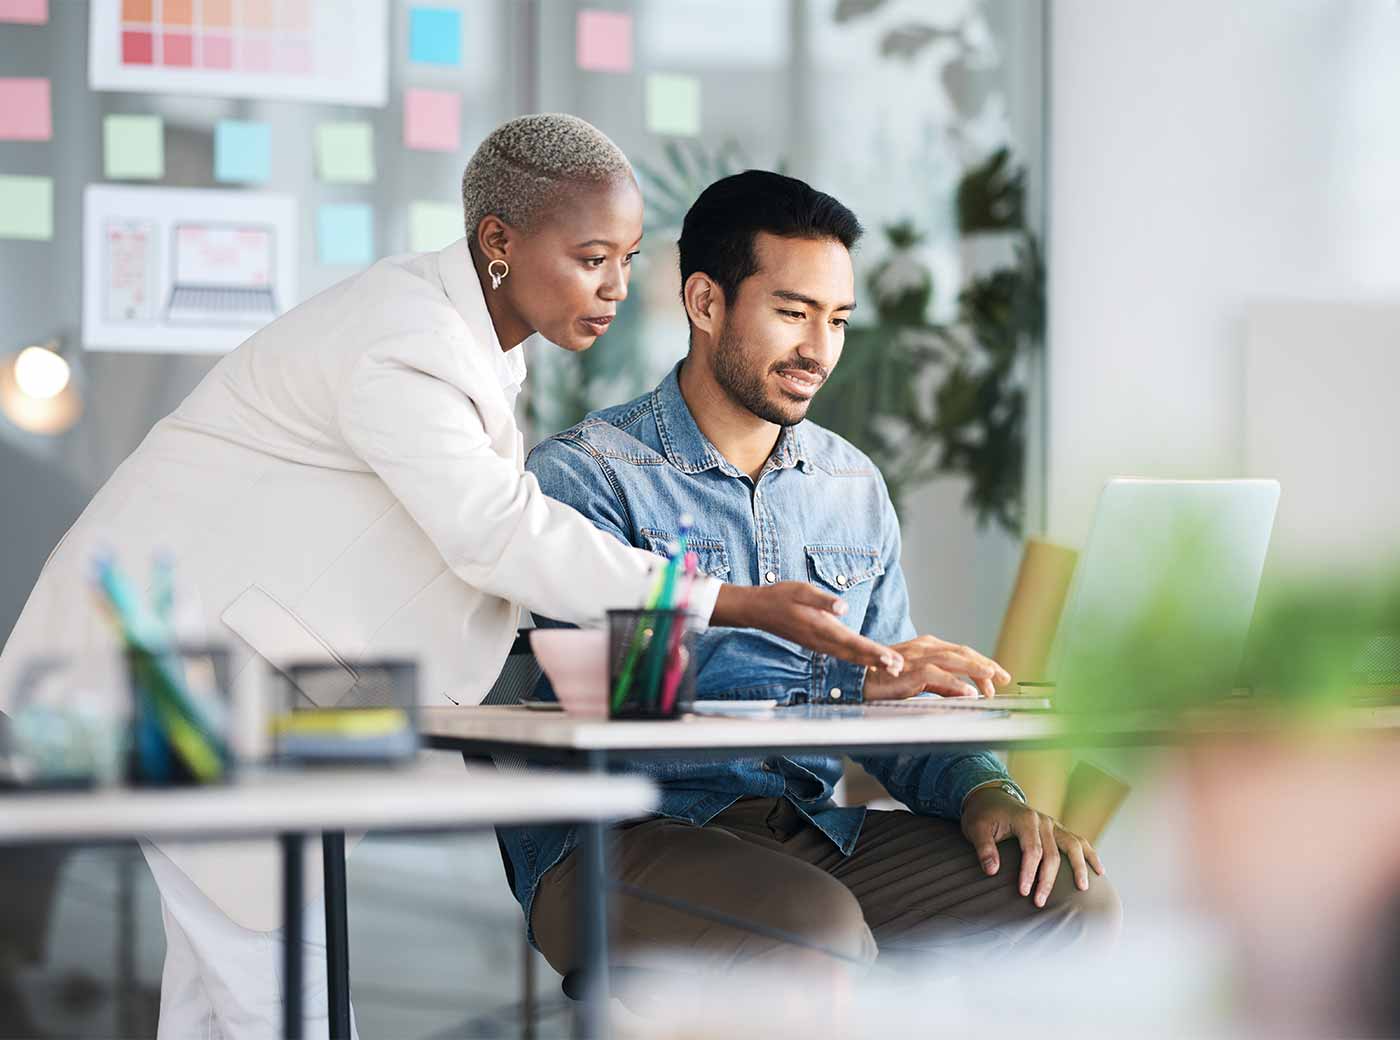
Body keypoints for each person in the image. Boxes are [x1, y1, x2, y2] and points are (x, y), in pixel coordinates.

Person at [0, 118, 903, 1039]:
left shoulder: (465, 345)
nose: (616, 290)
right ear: (498, 243)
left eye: (628, 259)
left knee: (228, 993)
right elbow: (494, 532)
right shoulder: (408, 340)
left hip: (210, 679)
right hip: (167, 676)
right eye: (591, 257)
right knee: (283, 993)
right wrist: (735, 602)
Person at [504, 171, 1121, 993]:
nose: (819, 351)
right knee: (814, 931)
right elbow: (620, 699)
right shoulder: (587, 477)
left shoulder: (850, 486)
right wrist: (843, 681)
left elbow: (896, 693)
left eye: (836, 321)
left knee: (1067, 901)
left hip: (809, 831)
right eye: (793, 313)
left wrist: (984, 790)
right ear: (704, 302)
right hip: (618, 837)